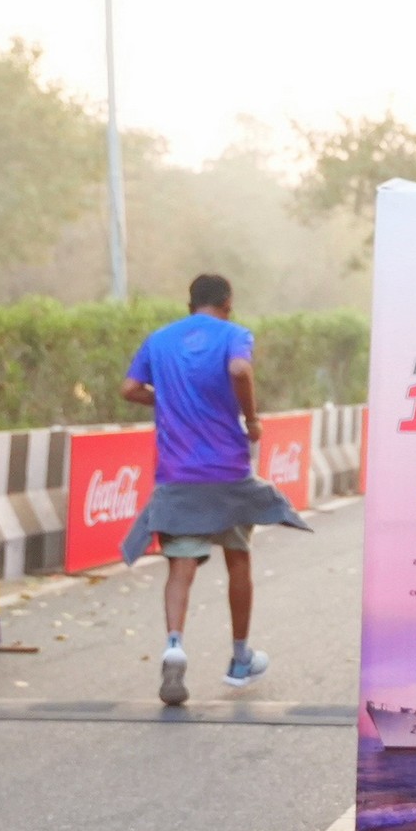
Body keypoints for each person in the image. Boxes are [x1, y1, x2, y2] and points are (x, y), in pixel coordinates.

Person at [120, 272, 305, 705]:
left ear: (189, 305)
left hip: (178, 475)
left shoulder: (159, 339)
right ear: (228, 304)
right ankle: (240, 659)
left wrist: (165, 398)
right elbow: (240, 369)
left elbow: (128, 389)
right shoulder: (234, 335)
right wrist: (252, 419)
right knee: (238, 559)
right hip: (228, 473)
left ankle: (174, 645)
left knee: (180, 566)